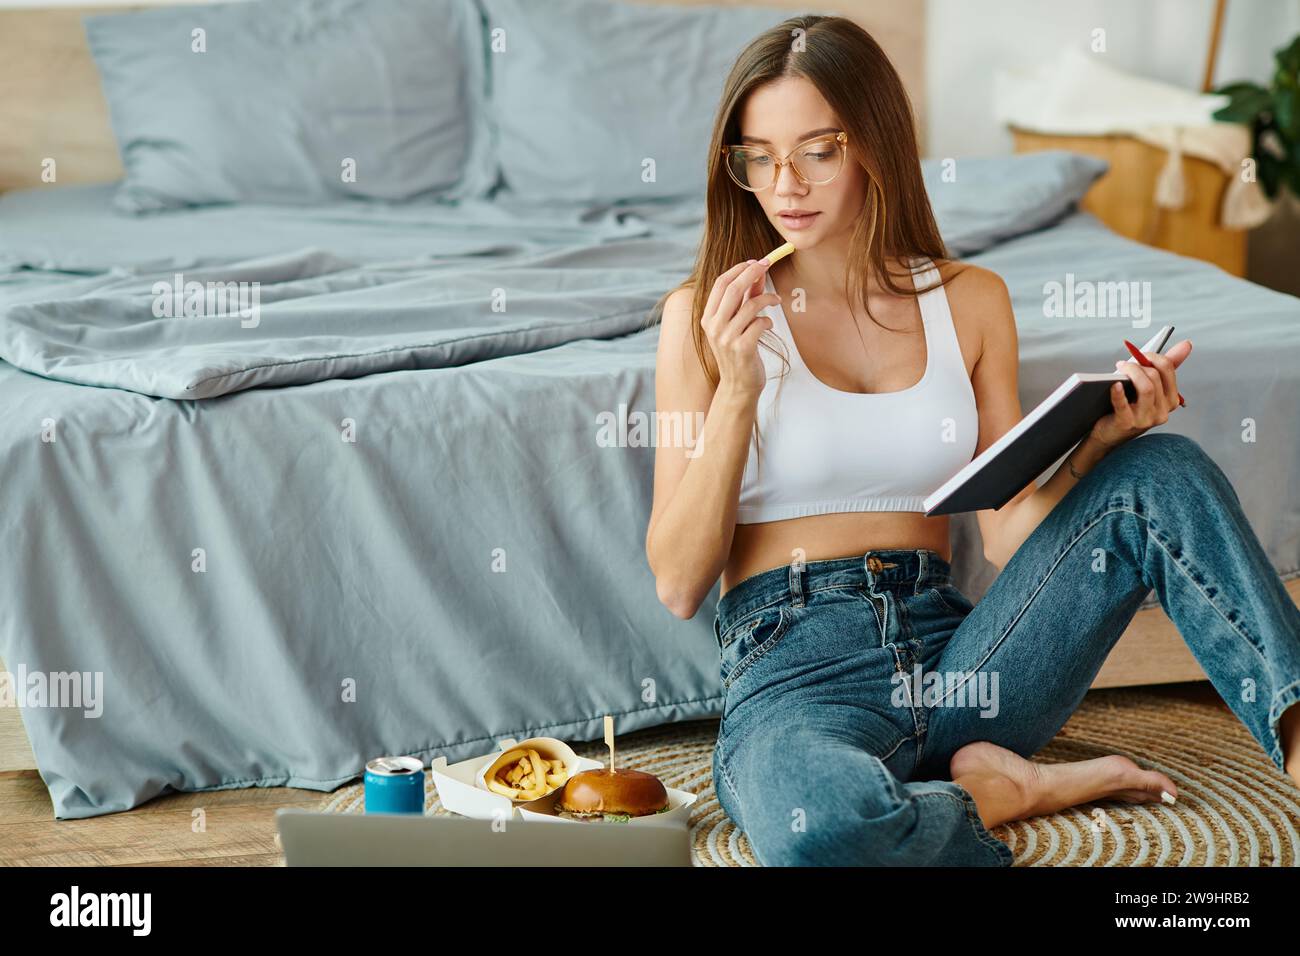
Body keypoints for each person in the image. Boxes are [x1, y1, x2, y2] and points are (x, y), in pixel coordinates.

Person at [644, 14, 1300, 866]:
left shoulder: (972, 300)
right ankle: (997, 792)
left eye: (818, 149)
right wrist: (738, 390)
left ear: (874, 146)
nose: (786, 184)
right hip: (795, 674)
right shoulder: (699, 319)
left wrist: (1096, 445)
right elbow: (679, 582)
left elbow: (1004, 534)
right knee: (830, 829)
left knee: (1158, 471)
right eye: (758, 156)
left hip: (963, 659)